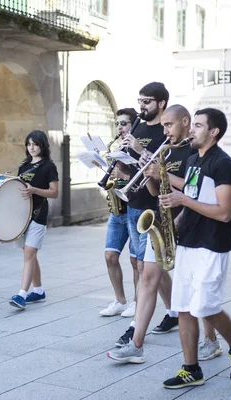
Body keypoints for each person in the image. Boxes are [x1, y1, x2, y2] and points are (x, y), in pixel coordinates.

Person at [108, 105, 225, 363]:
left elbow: (196, 186)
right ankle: (136, 344)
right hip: (161, 222)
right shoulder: (165, 149)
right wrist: (150, 172)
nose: (165, 131)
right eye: (163, 126)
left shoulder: (196, 152)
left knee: (197, 289)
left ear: (185, 122)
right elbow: (153, 192)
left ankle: (212, 340)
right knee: (148, 278)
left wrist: (165, 175)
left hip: (190, 223)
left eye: (169, 125)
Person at [159, 108, 231, 388]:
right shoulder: (192, 160)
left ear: (214, 132)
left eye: (198, 125)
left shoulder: (224, 165)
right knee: (184, 307)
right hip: (188, 240)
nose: (191, 130)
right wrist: (175, 220)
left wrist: (183, 201)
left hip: (212, 244)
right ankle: (191, 369)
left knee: (205, 307)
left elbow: (224, 212)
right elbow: (193, 195)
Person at [112, 82, 169, 347]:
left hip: (153, 205)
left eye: (147, 101)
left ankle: (136, 327)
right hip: (134, 203)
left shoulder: (165, 130)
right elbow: (131, 162)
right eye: (140, 100)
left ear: (161, 103)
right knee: (150, 267)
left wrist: (137, 149)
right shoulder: (138, 127)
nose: (142, 105)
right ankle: (173, 312)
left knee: (148, 268)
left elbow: (160, 166)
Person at [9, 130, 59, 310]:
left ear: (42, 145)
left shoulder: (49, 166)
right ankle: (38, 291)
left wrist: (34, 190)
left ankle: (22, 294)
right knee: (29, 254)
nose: (31, 147)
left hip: (39, 214)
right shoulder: (24, 166)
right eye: (29, 144)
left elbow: (54, 192)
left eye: (35, 144)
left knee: (29, 252)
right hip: (23, 215)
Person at [100, 108, 139, 318]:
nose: (120, 128)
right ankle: (119, 300)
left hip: (134, 209)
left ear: (133, 125)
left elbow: (141, 179)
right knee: (110, 256)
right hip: (117, 211)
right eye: (118, 124)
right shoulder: (118, 148)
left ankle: (137, 302)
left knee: (135, 261)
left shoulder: (139, 149)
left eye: (124, 123)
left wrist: (123, 172)